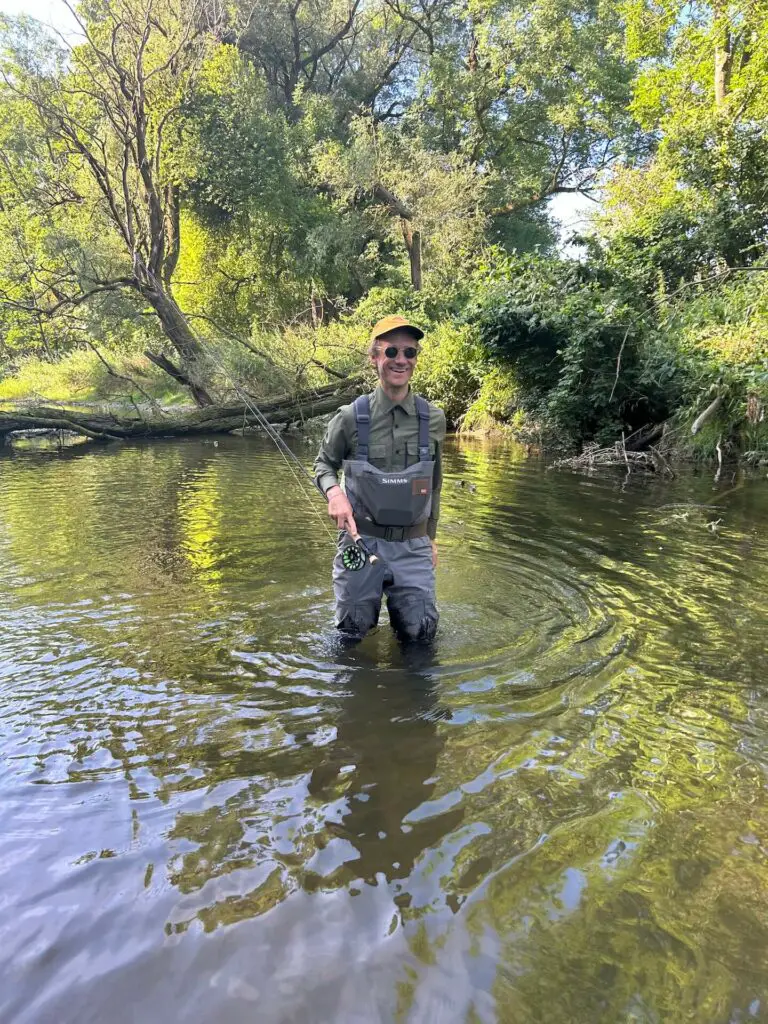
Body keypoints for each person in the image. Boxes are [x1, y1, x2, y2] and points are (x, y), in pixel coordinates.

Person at [314, 315, 446, 642]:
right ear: (374, 358)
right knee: (350, 637)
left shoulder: (434, 418)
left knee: (421, 638)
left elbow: (436, 483)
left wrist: (430, 536)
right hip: (360, 543)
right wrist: (335, 494)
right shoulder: (348, 417)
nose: (401, 360)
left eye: (409, 352)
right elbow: (323, 465)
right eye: (391, 352)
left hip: (413, 545)